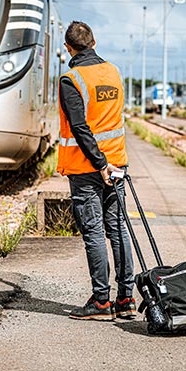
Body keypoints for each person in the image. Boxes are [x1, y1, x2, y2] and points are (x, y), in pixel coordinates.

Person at [57, 21, 136, 321]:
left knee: (93, 233)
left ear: (68, 47)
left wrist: (99, 164)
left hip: (88, 168)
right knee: (118, 230)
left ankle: (101, 301)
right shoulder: (113, 72)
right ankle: (126, 299)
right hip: (118, 164)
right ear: (94, 41)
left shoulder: (71, 79)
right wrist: (109, 163)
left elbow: (80, 127)